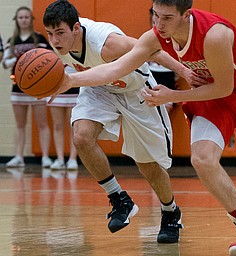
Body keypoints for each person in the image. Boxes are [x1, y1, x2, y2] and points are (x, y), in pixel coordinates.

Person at [53, 1, 236, 255]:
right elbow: (117, 68)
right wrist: (69, 80)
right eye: (156, 15)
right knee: (201, 159)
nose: (159, 24)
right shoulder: (155, 36)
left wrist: (170, 96)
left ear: (186, 15)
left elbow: (225, 88)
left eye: (167, 18)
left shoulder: (214, 34)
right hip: (210, 96)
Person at [42, 0, 203, 243]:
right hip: (99, 89)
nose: (54, 40)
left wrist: (184, 72)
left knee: (147, 165)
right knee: (81, 136)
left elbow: (152, 50)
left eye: (60, 33)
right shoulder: (57, 46)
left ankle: (170, 212)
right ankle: (119, 199)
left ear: (76, 28)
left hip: (136, 91)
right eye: (50, 34)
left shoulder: (107, 43)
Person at [3, 6, 53, 168]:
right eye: (20, 17)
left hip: (37, 88)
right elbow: (4, 63)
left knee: (42, 123)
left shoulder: (39, 39)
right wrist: (15, 60)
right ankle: (19, 156)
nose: (23, 20)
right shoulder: (12, 40)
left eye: (26, 17)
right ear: (16, 20)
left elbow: (51, 59)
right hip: (18, 88)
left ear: (31, 20)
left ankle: (45, 157)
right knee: (19, 124)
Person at [47, 65, 79, 170]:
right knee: (57, 125)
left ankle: (73, 159)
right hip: (55, 87)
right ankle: (60, 158)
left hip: (75, 88)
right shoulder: (48, 49)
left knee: (73, 125)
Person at [148, 7, 178, 114]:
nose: (158, 25)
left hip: (167, 81)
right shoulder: (148, 41)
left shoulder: (175, 40)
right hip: (151, 80)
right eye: (154, 22)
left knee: (163, 116)